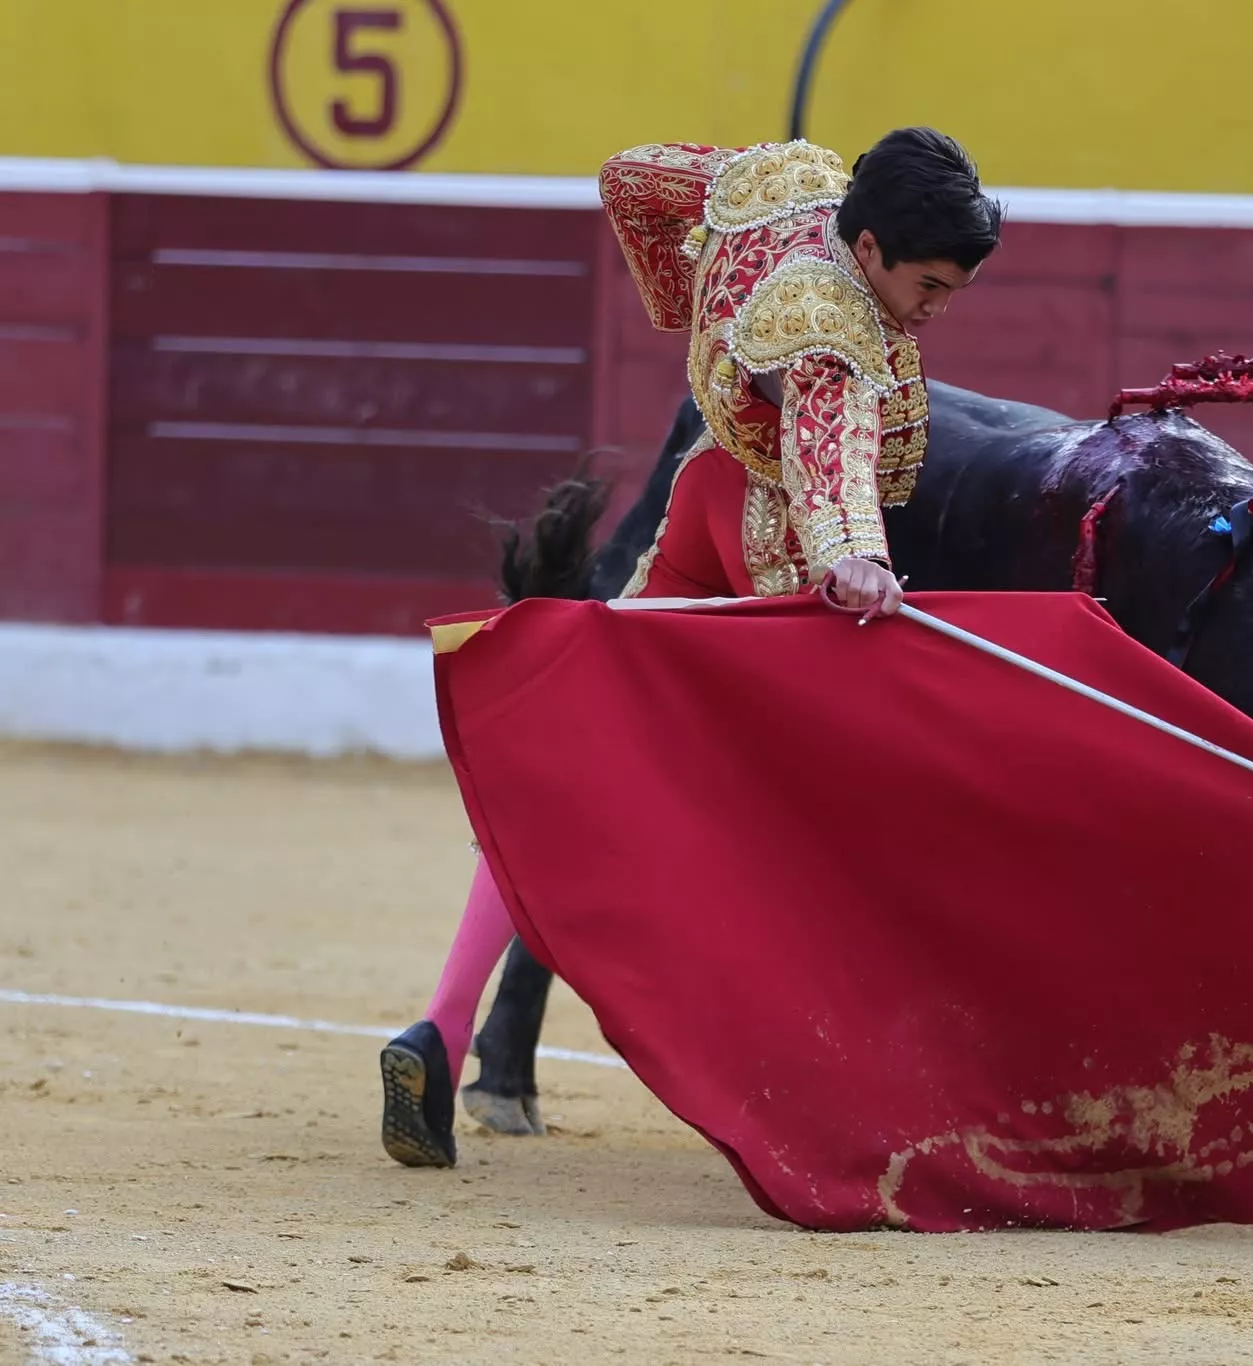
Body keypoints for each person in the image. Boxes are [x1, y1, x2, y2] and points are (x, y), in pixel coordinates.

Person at [378, 127, 1004, 1168]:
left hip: (698, 499)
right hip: (772, 541)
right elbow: (829, 443)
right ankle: (807, 1093)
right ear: (869, 248)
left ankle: (441, 1027)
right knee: (801, 818)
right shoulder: (831, 324)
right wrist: (851, 556)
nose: (937, 308)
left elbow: (629, 178)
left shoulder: (779, 185)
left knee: (577, 762)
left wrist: (681, 302)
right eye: (928, 283)